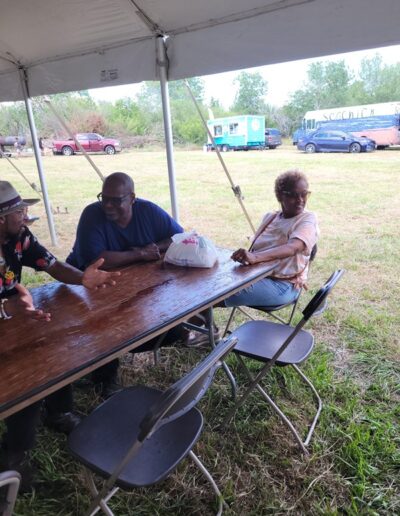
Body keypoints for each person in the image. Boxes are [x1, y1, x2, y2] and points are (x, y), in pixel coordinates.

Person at [0, 180, 120, 490]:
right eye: (20, 212)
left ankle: (59, 412)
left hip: (13, 316)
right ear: (1, 218)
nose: (26, 217)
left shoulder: (18, 238)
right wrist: (7, 309)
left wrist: (84, 279)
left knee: (57, 341)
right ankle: (15, 457)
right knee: (26, 378)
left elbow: (51, 265)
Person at [67, 172, 185, 394]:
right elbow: (96, 261)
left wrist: (154, 249)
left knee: (172, 325)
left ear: (132, 198)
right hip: (86, 284)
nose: (108, 205)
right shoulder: (92, 214)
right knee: (104, 320)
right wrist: (140, 253)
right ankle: (104, 379)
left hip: (133, 282)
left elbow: (178, 237)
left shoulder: (148, 211)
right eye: (104, 198)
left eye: (116, 200)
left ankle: (185, 334)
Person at [223, 169, 319, 309]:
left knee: (218, 294)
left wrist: (255, 257)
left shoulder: (308, 219)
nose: (300, 200)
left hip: (283, 285)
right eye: (293, 195)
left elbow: (293, 247)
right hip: (257, 276)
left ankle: (191, 329)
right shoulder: (270, 218)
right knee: (211, 287)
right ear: (280, 196)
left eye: (304, 194)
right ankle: (199, 328)